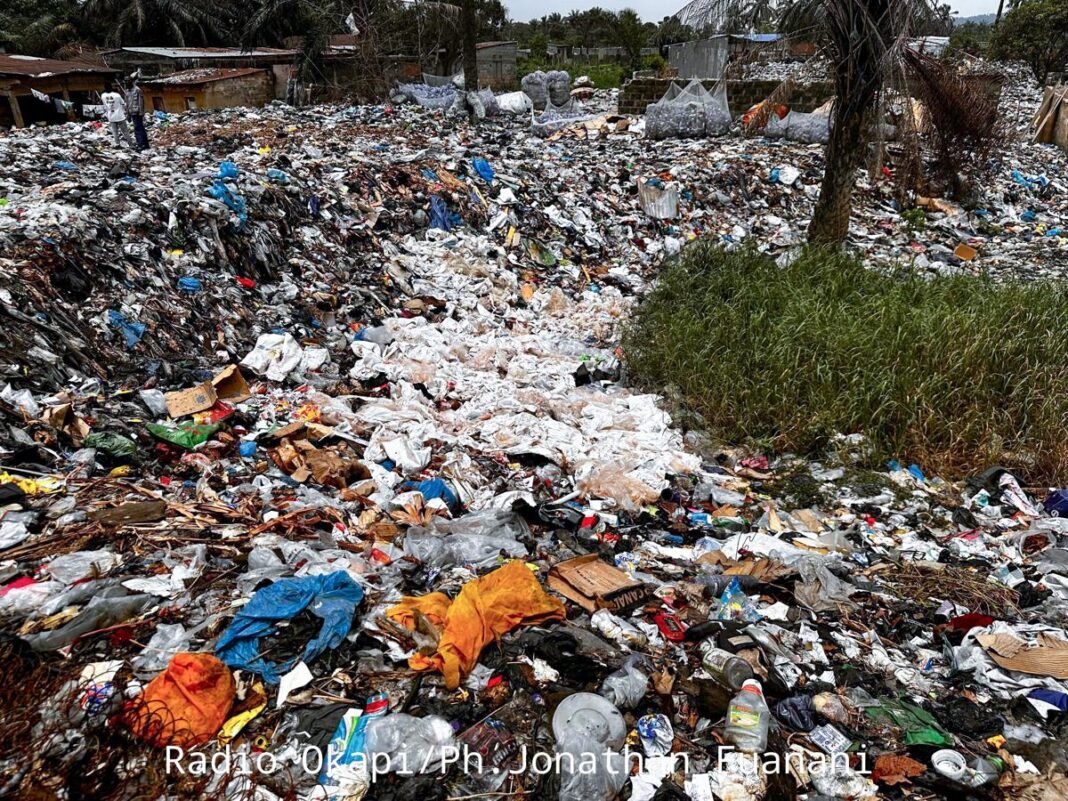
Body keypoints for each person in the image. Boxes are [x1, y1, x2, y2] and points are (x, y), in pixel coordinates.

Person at [126, 79, 149, 150]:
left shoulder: (137, 90)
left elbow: (141, 102)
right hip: (131, 112)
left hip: (137, 112)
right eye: (126, 82)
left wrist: (141, 112)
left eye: (128, 82)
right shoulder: (127, 91)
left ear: (131, 82)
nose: (127, 83)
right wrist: (128, 114)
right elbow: (127, 103)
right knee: (139, 128)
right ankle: (144, 144)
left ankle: (141, 144)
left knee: (138, 128)